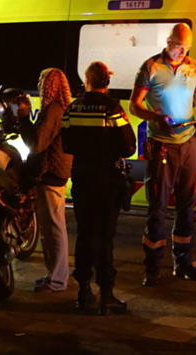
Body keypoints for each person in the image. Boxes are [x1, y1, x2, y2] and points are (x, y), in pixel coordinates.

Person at [129, 23, 196, 286]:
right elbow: (134, 105)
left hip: (188, 143)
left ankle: (183, 264)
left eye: (186, 48)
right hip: (162, 144)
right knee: (158, 207)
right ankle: (152, 267)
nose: (182, 53)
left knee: (187, 206)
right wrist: (156, 117)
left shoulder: (195, 68)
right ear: (168, 41)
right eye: (178, 47)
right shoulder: (150, 67)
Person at [61, 61, 137, 315]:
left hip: (82, 179)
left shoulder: (73, 108)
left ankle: (83, 292)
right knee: (104, 237)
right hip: (107, 181)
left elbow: (67, 145)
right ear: (107, 82)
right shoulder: (111, 108)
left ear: (87, 81)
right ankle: (107, 295)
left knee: (84, 234)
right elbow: (128, 147)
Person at [18, 67, 73, 292]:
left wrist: (23, 118)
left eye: (42, 81)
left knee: (54, 226)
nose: (39, 85)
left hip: (51, 173)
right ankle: (53, 274)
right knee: (50, 227)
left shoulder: (53, 110)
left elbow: (37, 143)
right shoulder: (60, 108)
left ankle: (58, 279)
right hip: (54, 171)